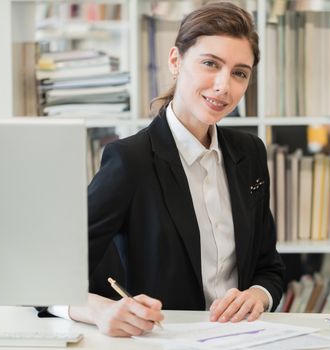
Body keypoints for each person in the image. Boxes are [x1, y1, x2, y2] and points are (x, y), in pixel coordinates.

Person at [61, 1, 285, 337]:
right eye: (210, 64)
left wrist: (258, 295)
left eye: (240, 73)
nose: (224, 86)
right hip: (165, 339)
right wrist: (98, 310)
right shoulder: (130, 160)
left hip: (241, 339)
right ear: (175, 61)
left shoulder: (249, 153)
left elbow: (269, 267)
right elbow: (51, 272)